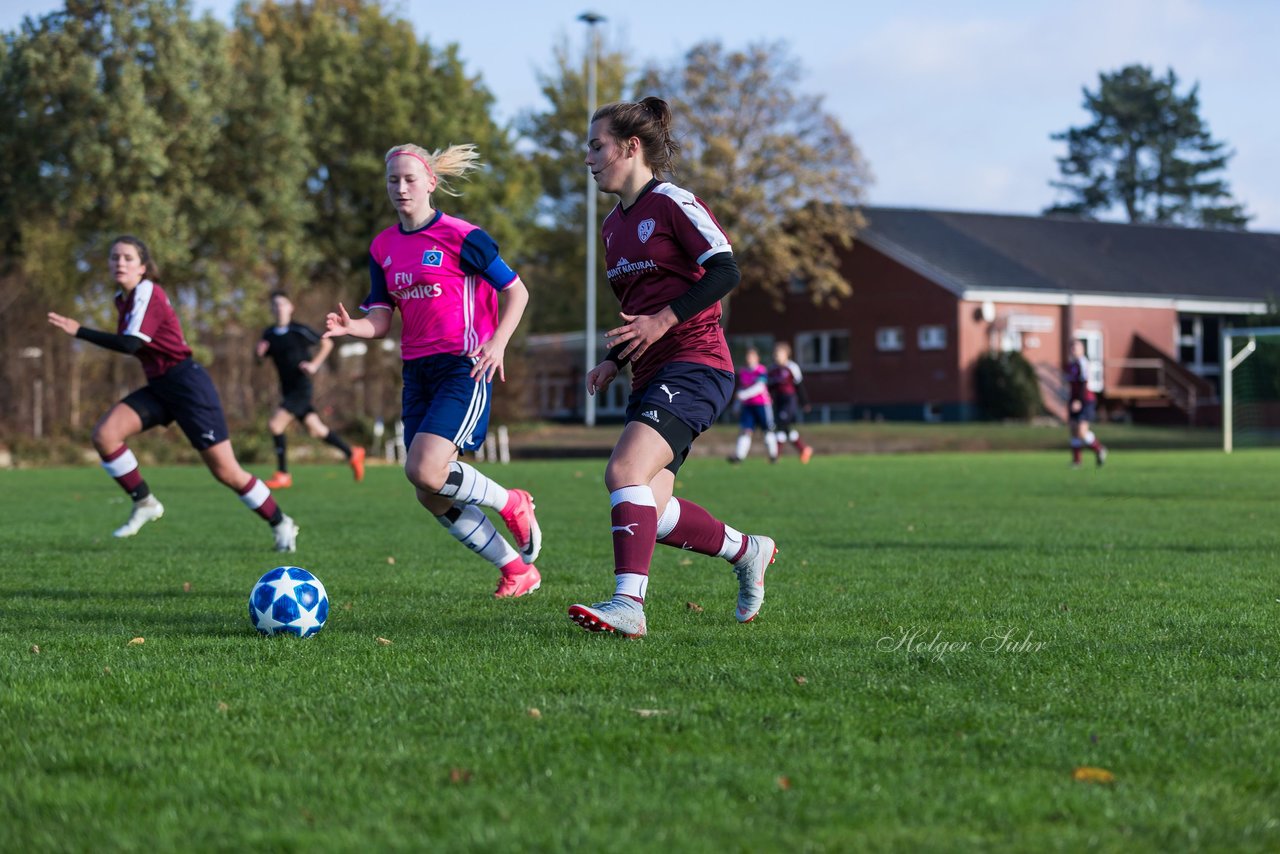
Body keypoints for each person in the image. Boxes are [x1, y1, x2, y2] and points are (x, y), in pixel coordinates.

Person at [568, 97, 777, 638]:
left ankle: (628, 607)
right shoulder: (613, 227)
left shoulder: (674, 202)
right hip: (650, 373)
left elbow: (725, 270)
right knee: (651, 512)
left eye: (597, 146)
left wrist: (662, 322)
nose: (588, 158)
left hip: (698, 363)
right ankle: (748, 551)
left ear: (631, 147)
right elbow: (638, 312)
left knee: (623, 473)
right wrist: (614, 360)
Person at [323, 142, 542, 598]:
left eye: (409, 179)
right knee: (430, 490)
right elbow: (381, 317)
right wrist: (352, 328)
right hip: (416, 372)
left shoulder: (464, 236)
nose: (400, 188)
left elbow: (516, 292)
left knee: (424, 470)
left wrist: (497, 344)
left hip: (464, 367)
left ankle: (512, 502)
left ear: (430, 183)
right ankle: (515, 570)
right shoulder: (382, 246)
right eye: (392, 180)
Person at [47, 235, 299, 551]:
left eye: (127, 258)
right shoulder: (121, 298)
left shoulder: (148, 291)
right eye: (114, 257)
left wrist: (79, 330)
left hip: (188, 385)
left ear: (143, 266)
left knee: (227, 472)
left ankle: (281, 522)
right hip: (161, 386)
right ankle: (145, 503)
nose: (119, 263)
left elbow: (130, 344)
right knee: (105, 435)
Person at [256, 290, 365, 488]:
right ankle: (352, 453)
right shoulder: (269, 334)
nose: (279, 308)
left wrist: (314, 365)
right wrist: (259, 355)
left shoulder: (298, 330)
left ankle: (283, 474)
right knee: (317, 430)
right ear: (271, 309)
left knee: (275, 425)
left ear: (291, 307)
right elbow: (260, 361)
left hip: (301, 388)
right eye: (275, 305)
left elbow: (327, 343)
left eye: (282, 304)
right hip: (287, 389)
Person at [726, 345, 779, 464]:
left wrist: (744, 395)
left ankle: (773, 456)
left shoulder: (761, 370)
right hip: (748, 406)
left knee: (768, 430)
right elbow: (740, 390)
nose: (749, 358)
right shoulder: (743, 372)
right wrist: (736, 406)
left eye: (751, 356)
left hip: (762, 405)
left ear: (757, 358)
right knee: (745, 430)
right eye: (747, 356)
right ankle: (739, 456)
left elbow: (760, 387)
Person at [768, 341, 814, 463]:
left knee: (781, 425)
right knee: (785, 428)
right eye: (775, 354)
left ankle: (776, 455)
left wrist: (805, 403)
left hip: (789, 400)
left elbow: (799, 386)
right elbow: (769, 387)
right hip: (778, 401)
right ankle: (804, 449)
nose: (776, 356)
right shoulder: (773, 369)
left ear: (786, 355)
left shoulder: (792, 367)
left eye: (779, 354)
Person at [1066, 338, 1107, 467]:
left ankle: (1099, 449)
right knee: (1073, 430)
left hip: (1085, 400)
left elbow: (1084, 383)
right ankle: (1077, 461)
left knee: (1082, 432)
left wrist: (1079, 400)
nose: (1073, 350)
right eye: (1072, 348)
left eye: (1076, 347)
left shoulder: (1083, 363)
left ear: (1082, 349)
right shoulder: (1071, 365)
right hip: (1074, 400)